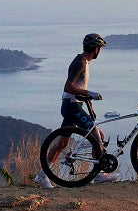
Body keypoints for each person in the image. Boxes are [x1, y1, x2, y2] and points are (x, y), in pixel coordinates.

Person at [35, 33, 118, 189]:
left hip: (71, 105)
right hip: (73, 107)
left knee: (62, 144)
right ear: (96, 49)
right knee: (98, 135)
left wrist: (86, 98)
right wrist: (89, 93)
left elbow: (76, 88)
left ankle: (42, 175)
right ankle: (98, 174)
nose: (100, 51)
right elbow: (68, 87)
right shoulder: (80, 63)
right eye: (100, 48)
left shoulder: (84, 61)